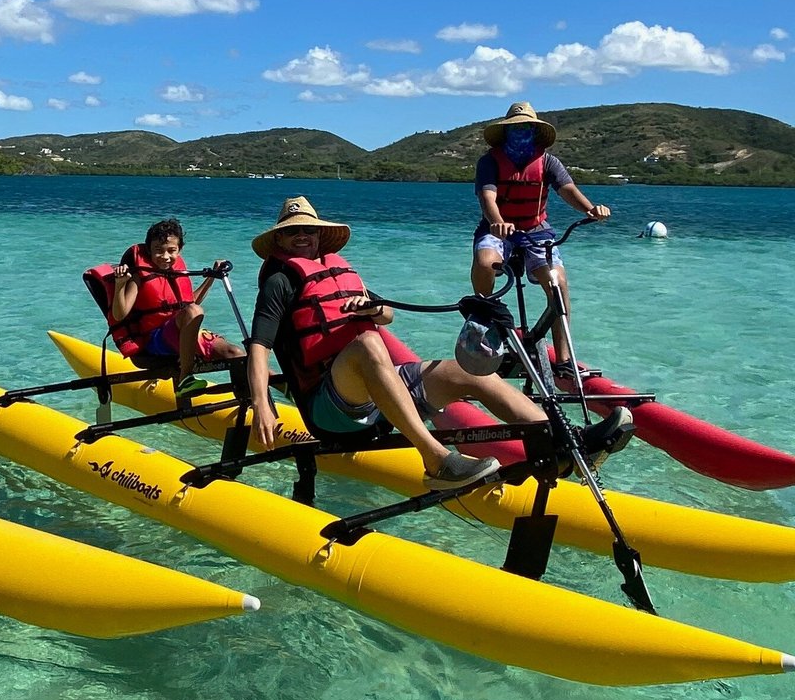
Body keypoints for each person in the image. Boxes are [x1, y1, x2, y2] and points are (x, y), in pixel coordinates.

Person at [246, 196, 632, 488]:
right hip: (330, 408)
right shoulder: (281, 281)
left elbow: (388, 315)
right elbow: (259, 347)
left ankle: (563, 445)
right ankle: (436, 460)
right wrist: (262, 405)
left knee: (469, 373)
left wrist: (373, 310)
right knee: (368, 345)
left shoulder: (338, 270)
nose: (301, 236)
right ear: (280, 239)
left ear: (319, 235)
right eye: (292, 231)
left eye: (308, 230)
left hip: (376, 392)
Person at [470, 102, 611, 374]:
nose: (521, 133)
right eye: (516, 128)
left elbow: (568, 190)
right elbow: (487, 198)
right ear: (506, 132)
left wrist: (591, 209)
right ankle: (482, 323)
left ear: (535, 132)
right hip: (498, 229)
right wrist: (498, 223)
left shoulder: (548, 162)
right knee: (485, 262)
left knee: (558, 283)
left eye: (526, 128)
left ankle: (564, 360)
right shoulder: (489, 161)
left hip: (536, 231)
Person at [104, 217, 244, 396]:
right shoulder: (140, 276)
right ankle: (186, 378)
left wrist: (211, 278)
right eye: (158, 250)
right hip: (155, 340)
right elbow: (119, 314)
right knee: (195, 311)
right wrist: (121, 284)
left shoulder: (175, 271)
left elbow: (188, 304)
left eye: (171, 251)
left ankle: (281, 388)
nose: (165, 256)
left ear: (180, 250)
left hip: (178, 332)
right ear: (149, 250)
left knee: (236, 354)